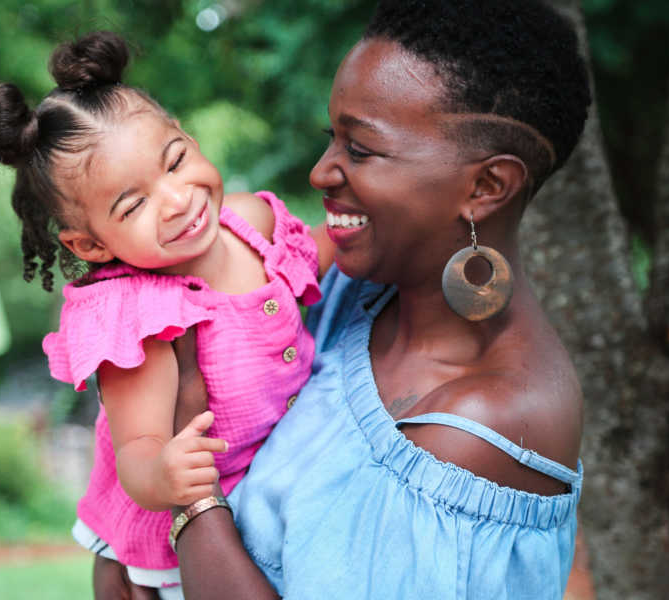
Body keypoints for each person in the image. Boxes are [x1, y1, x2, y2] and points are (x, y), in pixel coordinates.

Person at [170, 0, 591, 598]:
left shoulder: (473, 432)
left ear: (487, 187)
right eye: (330, 139)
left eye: (360, 150)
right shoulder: (359, 290)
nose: (321, 172)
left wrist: (186, 495)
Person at [0, 32, 331, 600]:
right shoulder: (137, 316)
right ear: (91, 245)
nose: (177, 199)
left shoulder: (249, 222)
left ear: (189, 140)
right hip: (180, 544)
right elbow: (137, 451)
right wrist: (166, 473)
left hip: (281, 491)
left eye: (176, 161)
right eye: (134, 204)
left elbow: (321, 253)